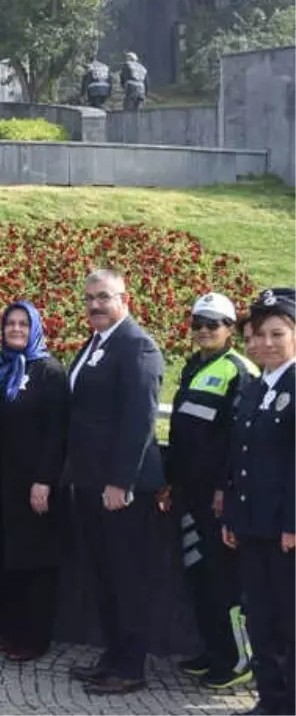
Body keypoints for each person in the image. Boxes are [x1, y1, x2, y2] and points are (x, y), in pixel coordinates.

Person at [64, 268, 165, 695]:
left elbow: (138, 422)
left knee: (126, 579)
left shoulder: (137, 347)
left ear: (125, 298)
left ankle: (130, 666)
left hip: (121, 489)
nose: (94, 305)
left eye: (103, 297)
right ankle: (112, 655)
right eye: (88, 298)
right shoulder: (97, 343)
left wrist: (120, 482)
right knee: (104, 576)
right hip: (91, 484)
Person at [161, 293, 257, 689]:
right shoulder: (194, 366)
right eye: (197, 322)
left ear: (230, 329)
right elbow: (183, 435)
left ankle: (238, 660)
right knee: (199, 573)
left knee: (224, 580)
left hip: (217, 497)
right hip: (189, 491)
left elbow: (240, 441)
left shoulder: (240, 371)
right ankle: (212, 649)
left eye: (213, 324)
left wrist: (225, 489)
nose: (203, 330)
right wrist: (169, 480)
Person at [223, 288, 296, 716]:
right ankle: (270, 700)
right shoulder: (255, 387)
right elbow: (240, 459)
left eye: (277, 333)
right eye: (258, 335)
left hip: (285, 528)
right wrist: (233, 515)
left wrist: (293, 523)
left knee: (290, 622)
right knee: (260, 619)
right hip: (253, 523)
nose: (265, 343)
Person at [0, 301, 68, 661]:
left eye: (23, 323)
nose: (16, 329)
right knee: (5, 560)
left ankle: (34, 638)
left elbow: (57, 433)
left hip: (34, 485)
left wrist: (44, 480)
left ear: (35, 328)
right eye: (10, 324)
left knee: (34, 563)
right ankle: (9, 630)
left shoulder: (49, 372)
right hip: (1, 482)